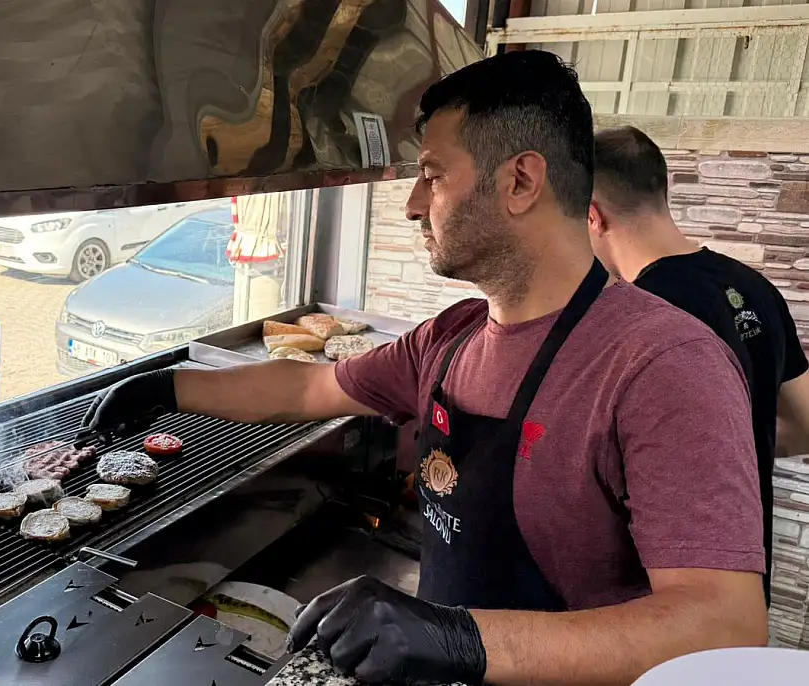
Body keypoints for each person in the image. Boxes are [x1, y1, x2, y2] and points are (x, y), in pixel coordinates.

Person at [83, 50, 768, 685]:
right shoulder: (453, 337)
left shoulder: (662, 364)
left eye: (433, 175)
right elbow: (309, 384)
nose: (413, 204)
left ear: (520, 181)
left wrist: (459, 638)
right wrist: (167, 387)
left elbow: (724, 628)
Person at [587, 125, 809, 606]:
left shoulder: (636, 314)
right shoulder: (754, 286)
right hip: (741, 578)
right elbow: (805, 424)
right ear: (661, 189)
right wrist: (730, 453)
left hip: (660, 598)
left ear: (592, 216)